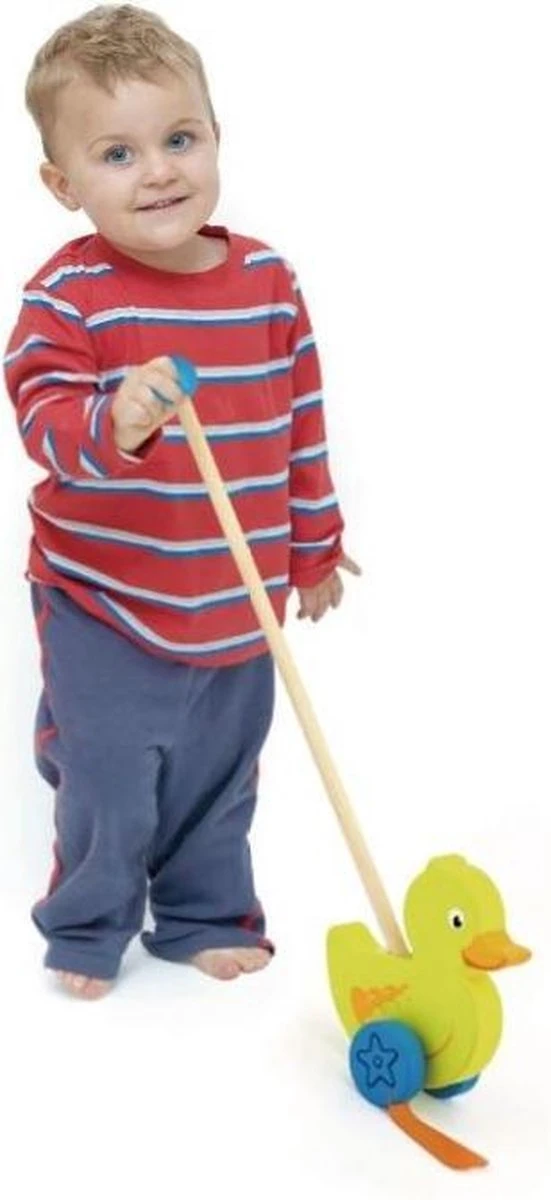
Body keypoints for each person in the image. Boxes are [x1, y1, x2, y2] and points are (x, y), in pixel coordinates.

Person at [3, 4, 360, 1000]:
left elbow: (299, 424)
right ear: (63, 185)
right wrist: (114, 419)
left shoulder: (266, 281)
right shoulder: (69, 295)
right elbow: (43, 420)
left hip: (238, 601)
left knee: (217, 774)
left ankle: (204, 915)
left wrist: (313, 546)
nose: (157, 171)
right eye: (117, 153)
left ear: (215, 136)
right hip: (106, 598)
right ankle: (88, 923)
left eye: (178, 138)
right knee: (110, 775)